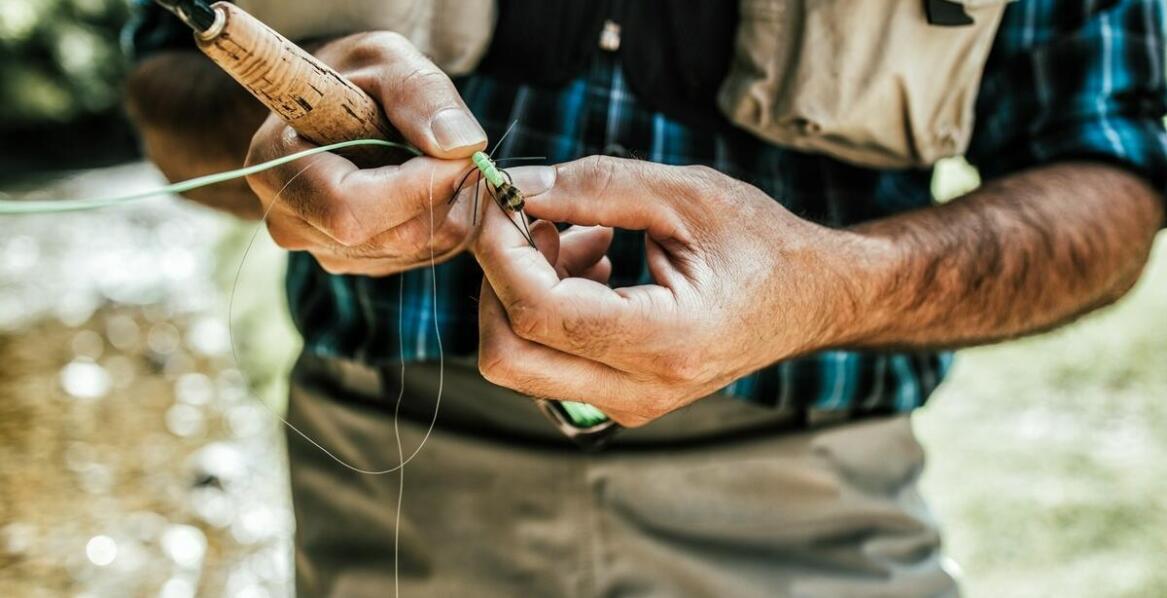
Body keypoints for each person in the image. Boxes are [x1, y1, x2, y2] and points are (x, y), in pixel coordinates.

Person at [125, 1, 1166, 596]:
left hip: (814, 508)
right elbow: (165, 83)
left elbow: (1112, 173)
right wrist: (285, 132)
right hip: (391, 497)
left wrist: (827, 288)